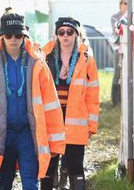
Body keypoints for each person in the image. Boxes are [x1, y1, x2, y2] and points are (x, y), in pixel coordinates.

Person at [0, 9, 66, 190]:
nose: (13, 39)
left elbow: (51, 105)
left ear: (24, 36)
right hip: (2, 134)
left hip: (28, 133)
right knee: (4, 184)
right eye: (9, 34)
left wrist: (56, 142)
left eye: (18, 35)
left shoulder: (38, 64)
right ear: (1, 36)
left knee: (30, 183)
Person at [41, 17, 99, 190]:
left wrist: (91, 126)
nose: (65, 35)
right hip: (51, 119)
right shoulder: (45, 57)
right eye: (61, 32)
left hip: (76, 120)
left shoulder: (87, 60)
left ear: (77, 34)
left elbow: (92, 95)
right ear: (56, 35)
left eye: (70, 32)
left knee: (75, 166)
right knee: (48, 165)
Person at [110, 0, 127, 106]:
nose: (126, 5)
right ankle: (115, 100)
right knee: (117, 73)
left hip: (128, 49)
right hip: (118, 48)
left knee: (126, 73)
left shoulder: (132, 16)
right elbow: (116, 32)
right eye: (125, 3)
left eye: (128, 3)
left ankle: (123, 99)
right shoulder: (114, 17)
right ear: (120, 4)